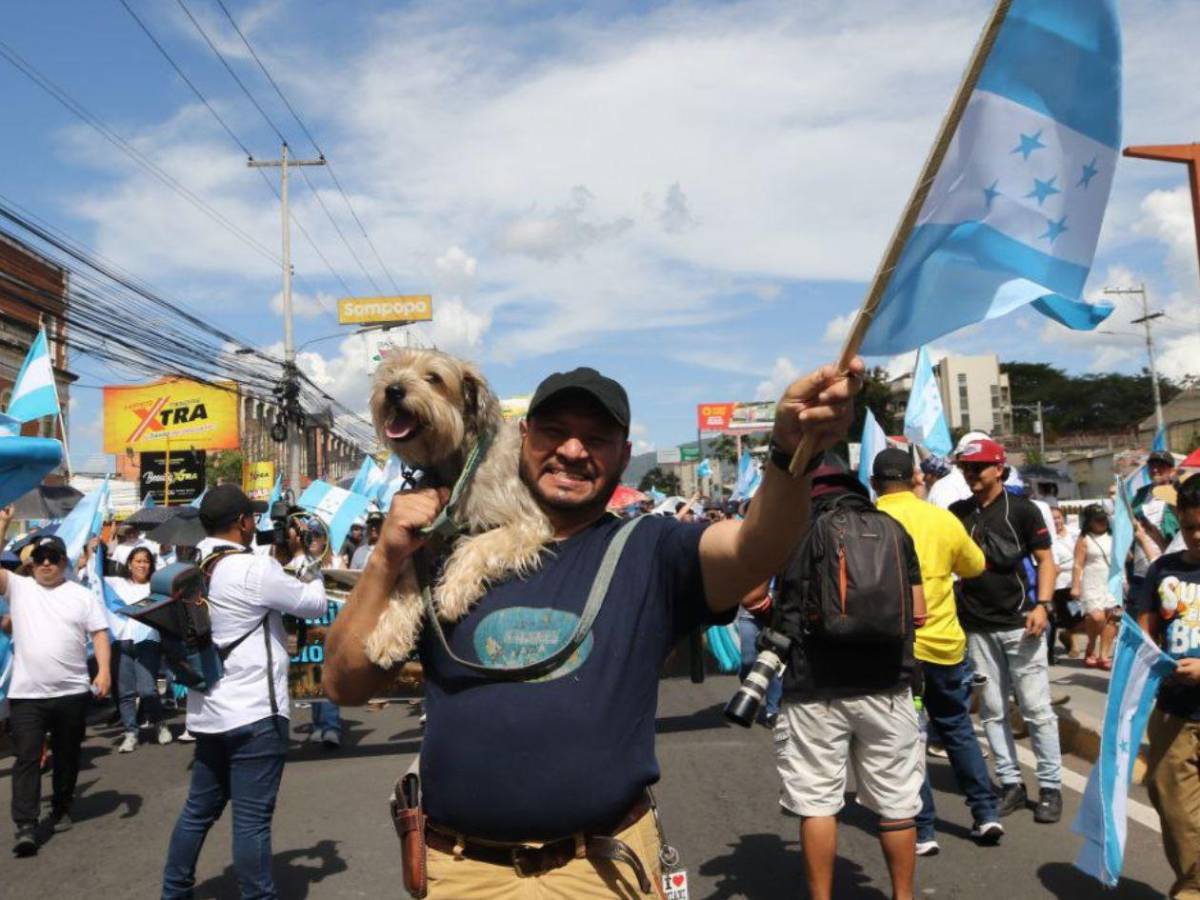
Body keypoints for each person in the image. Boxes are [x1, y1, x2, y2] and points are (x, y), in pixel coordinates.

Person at [324, 360, 860, 898]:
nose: (574, 451)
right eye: (555, 432)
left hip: (602, 872)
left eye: (597, 439)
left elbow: (756, 549)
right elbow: (344, 686)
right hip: (459, 873)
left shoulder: (648, 550)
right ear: (523, 436)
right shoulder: (443, 546)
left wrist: (792, 452)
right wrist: (386, 557)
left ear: (624, 457)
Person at [162, 485, 328, 899]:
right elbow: (314, 603)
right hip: (255, 713)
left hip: (209, 711)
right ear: (242, 521)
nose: (256, 524)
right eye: (252, 517)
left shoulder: (191, 567)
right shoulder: (252, 569)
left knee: (198, 812)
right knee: (252, 820)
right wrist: (310, 556)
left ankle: (174, 891)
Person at [773, 459, 926, 900]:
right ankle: (904, 896)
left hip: (814, 687)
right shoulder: (894, 529)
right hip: (888, 683)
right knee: (898, 800)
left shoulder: (797, 532)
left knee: (818, 801)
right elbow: (919, 612)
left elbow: (753, 598)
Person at [870, 449, 1002, 857]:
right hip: (944, 645)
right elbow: (976, 566)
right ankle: (985, 813)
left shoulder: (868, 522)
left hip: (894, 650)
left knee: (908, 739)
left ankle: (924, 829)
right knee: (957, 728)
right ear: (915, 478)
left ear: (874, 483)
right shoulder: (941, 518)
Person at [949, 437, 1062, 824]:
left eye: (977, 467)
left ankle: (1050, 787)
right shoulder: (957, 512)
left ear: (998, 468)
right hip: (976, 627)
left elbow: (1047, 561)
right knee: (993, 711)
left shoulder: (1024, 510)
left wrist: (1043, 605)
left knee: (1036, 708)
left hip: (1020, 624)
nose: (970, 474)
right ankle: (1011, 784)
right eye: (965, 467)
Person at [0, 526, 112, 858]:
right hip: (27, 694)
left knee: (67, 755)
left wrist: (104, 670)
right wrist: (3, 528)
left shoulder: (81, 595)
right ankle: (25, 824)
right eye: (40, 559)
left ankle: (62, 806)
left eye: (53, 558)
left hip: (72, 692)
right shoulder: (19, 589)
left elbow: (100, 634)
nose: (46, 564)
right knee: (27, 757)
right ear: (31, 564)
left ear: (64, 561)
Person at [1134, 473, 1200, 900]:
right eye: (1192, 526)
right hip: (1174, 711)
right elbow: (1144, 632)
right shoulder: (1162, 569)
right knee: (1172, 804)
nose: (1198, 536)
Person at [108, 546, 172, 752]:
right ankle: (130, 733)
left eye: (146, 561)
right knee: (125, 692)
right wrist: (91, 554)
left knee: (147, 690)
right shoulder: (116, 584)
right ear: (129, 564)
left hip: (148, 641)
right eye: (138, 561)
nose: (142, 565)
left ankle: (159, 723)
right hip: (121, 641)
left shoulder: (156, 587)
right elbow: (93, 581)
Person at [1071, 505, 1122, 669]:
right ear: (1089, 522)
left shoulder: (1114, 537)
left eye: (1104, 519)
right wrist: (1075, 586)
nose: (1102, 522)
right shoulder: (1084, 539)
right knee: (1097, 617)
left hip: (1113, 582)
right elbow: (1078, 564)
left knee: (1113, 618)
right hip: (1092, 582)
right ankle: (1091, 645)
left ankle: (1104, 655)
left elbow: (1124, 558)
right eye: (1098, 520)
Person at [1049, 506, 1083, 663]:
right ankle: (1075, 645)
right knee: (1069, 614)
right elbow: (1053, 564)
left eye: (1058, 517)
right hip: (1061, 583)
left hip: (1078, 577)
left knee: (1080, 613)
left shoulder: (1074, 532)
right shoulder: (1049, 538)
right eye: (1053, 518)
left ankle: (1066, 635)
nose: (1056, 521)